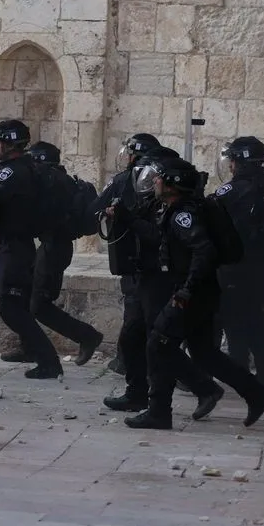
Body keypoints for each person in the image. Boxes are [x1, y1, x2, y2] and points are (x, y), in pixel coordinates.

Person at [123, 156, 264, 430]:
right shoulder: (176, 208)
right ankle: (256, 392)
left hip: (193, 293)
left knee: (158, 343)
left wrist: (187, 289)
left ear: (172, 185)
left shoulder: (183, 214)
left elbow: (204, 251)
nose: (155, 181)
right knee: (204, 353)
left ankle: (158, 412)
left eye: (160, 178)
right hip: (201, 291)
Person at [0, 120, 62, 379]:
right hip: (2, 248)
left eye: (0, 141)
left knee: (12, 310)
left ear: (10, 143)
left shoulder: (14, 171)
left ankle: (49, 362)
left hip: (15, 250)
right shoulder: (17, 168)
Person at [0, 141, 103, 366]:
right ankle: (29, 347)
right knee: (26, 299)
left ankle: (86, 336)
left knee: (39, 306)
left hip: (55, 247)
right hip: (51, 245)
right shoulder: (61, 180)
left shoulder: (54, 182)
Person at [210, 137, 264, 397]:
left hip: (235, 267)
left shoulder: (233, 190)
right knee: (249, 320)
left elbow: (209, 213)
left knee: (237, 319)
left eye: (231, 160)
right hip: (261, 267)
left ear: (237, 162)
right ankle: (248, 371)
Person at [93, 133, 162, 378]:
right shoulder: (163, 180)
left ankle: (127, 361)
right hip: (159, 260)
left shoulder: (122, 180)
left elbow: (96, 206)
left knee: (135, 314)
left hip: (131, 255)